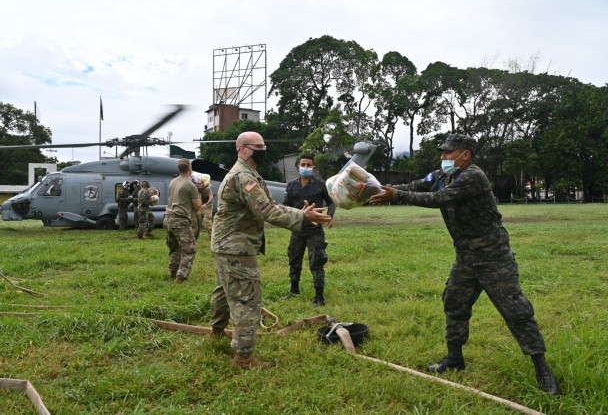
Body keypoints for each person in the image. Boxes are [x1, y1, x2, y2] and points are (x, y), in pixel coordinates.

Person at [370, 133, 559, 395]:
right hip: (466, 256)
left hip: (493, 256)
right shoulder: (443, 174)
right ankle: (454, 358)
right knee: (454, 303)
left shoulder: (473, 176)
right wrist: (382, 189)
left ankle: (542, 369)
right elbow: (420, 184)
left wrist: (398, 196)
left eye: (448, 153)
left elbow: (438, 198)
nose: (443, 157)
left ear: (465, 154)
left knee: (515, 309)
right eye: (443, 153)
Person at [210, 131, 332, 370]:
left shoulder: (245, 172)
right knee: (246, 300)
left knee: (224, 291)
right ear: (243, 148)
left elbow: (271, 205)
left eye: (264, 145)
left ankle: (216, 332)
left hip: (225, 245)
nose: (263, 149)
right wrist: (302, 216)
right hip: (236, 247)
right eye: (258, 146)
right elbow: (267, 210)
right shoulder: (244, 176)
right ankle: (244, 359)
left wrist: (299, 214)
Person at [282, 153, 336, 306]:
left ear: (313, 167)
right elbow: (285, 206)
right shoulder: (291, 185)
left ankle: (319, 297)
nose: (305, 167)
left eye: (308, 165)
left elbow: (332, 203)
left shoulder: (321, 185)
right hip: (297, 230)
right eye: (303, 164)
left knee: (317, 261)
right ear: (298, 166)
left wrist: (330, 216)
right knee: (294, 260)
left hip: (315, 231)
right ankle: (294, 290)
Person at [165, 159, 203, 283]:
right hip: (181, 219)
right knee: (189, 249)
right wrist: (200, 194)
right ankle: (180, 278)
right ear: (189, 168)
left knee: (175, 247)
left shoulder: (173, 182)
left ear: (178, 169)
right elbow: (197, 206)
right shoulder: (190, 185)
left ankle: (173, 272)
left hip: (169, 218)